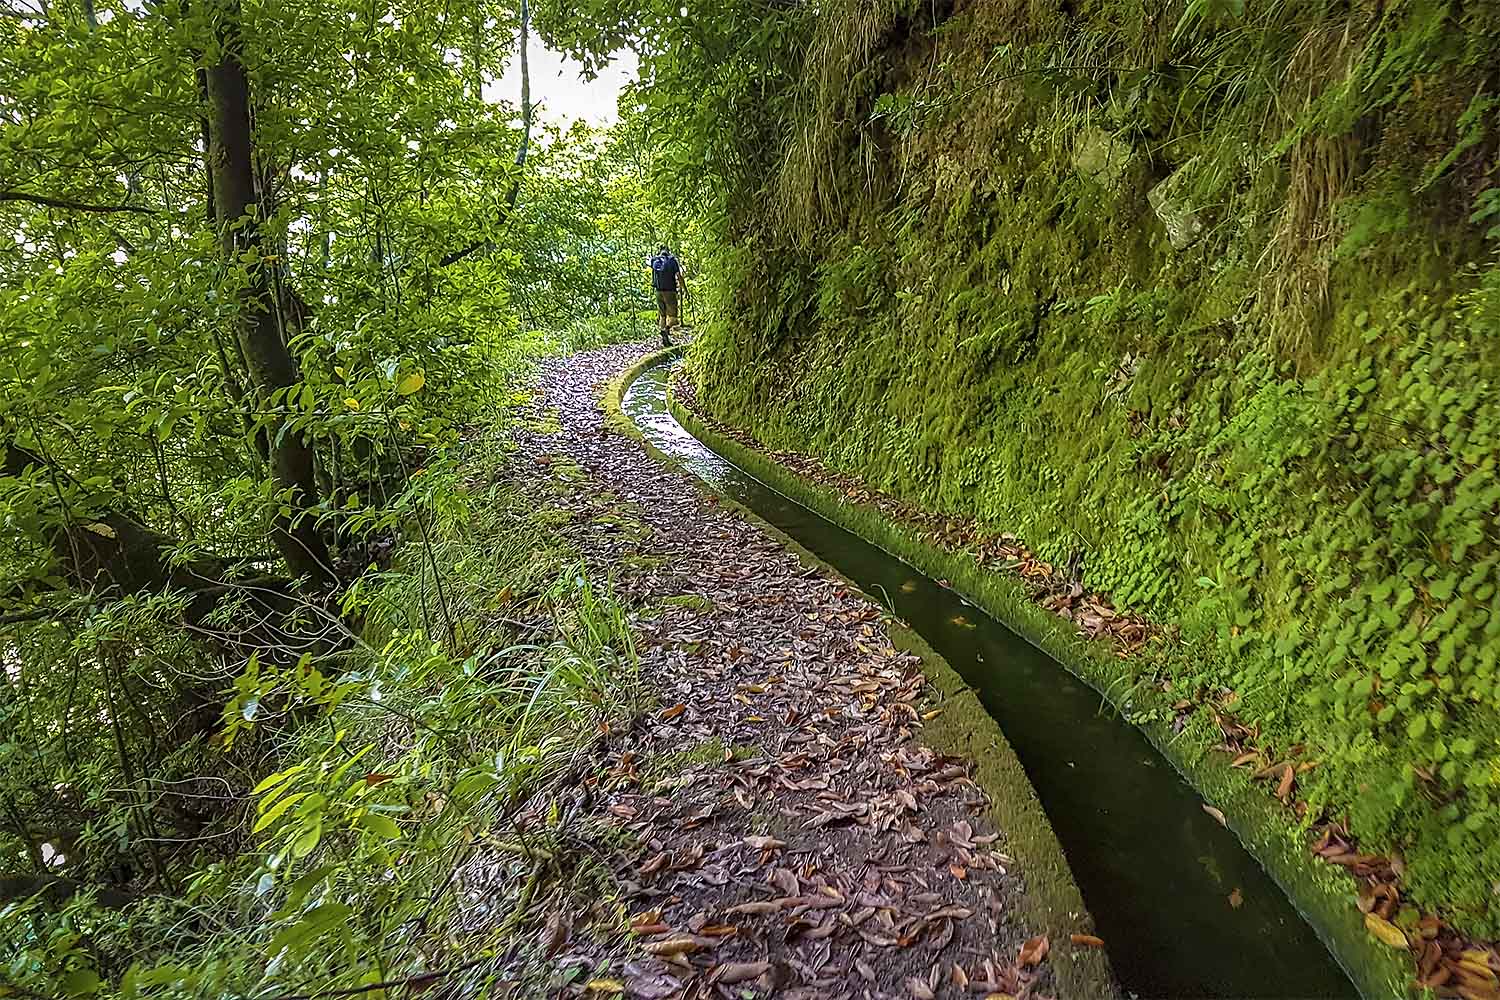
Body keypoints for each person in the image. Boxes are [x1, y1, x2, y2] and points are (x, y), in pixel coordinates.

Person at [649, 245, 684, 345]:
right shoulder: (672, 260)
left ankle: (664, 335)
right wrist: (684, 288)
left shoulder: (655, 260)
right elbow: (678, 276)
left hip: (658, 292)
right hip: (670, 292)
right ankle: (666, 329)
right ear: (668, 251)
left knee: (662, 316)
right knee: (674, 318)